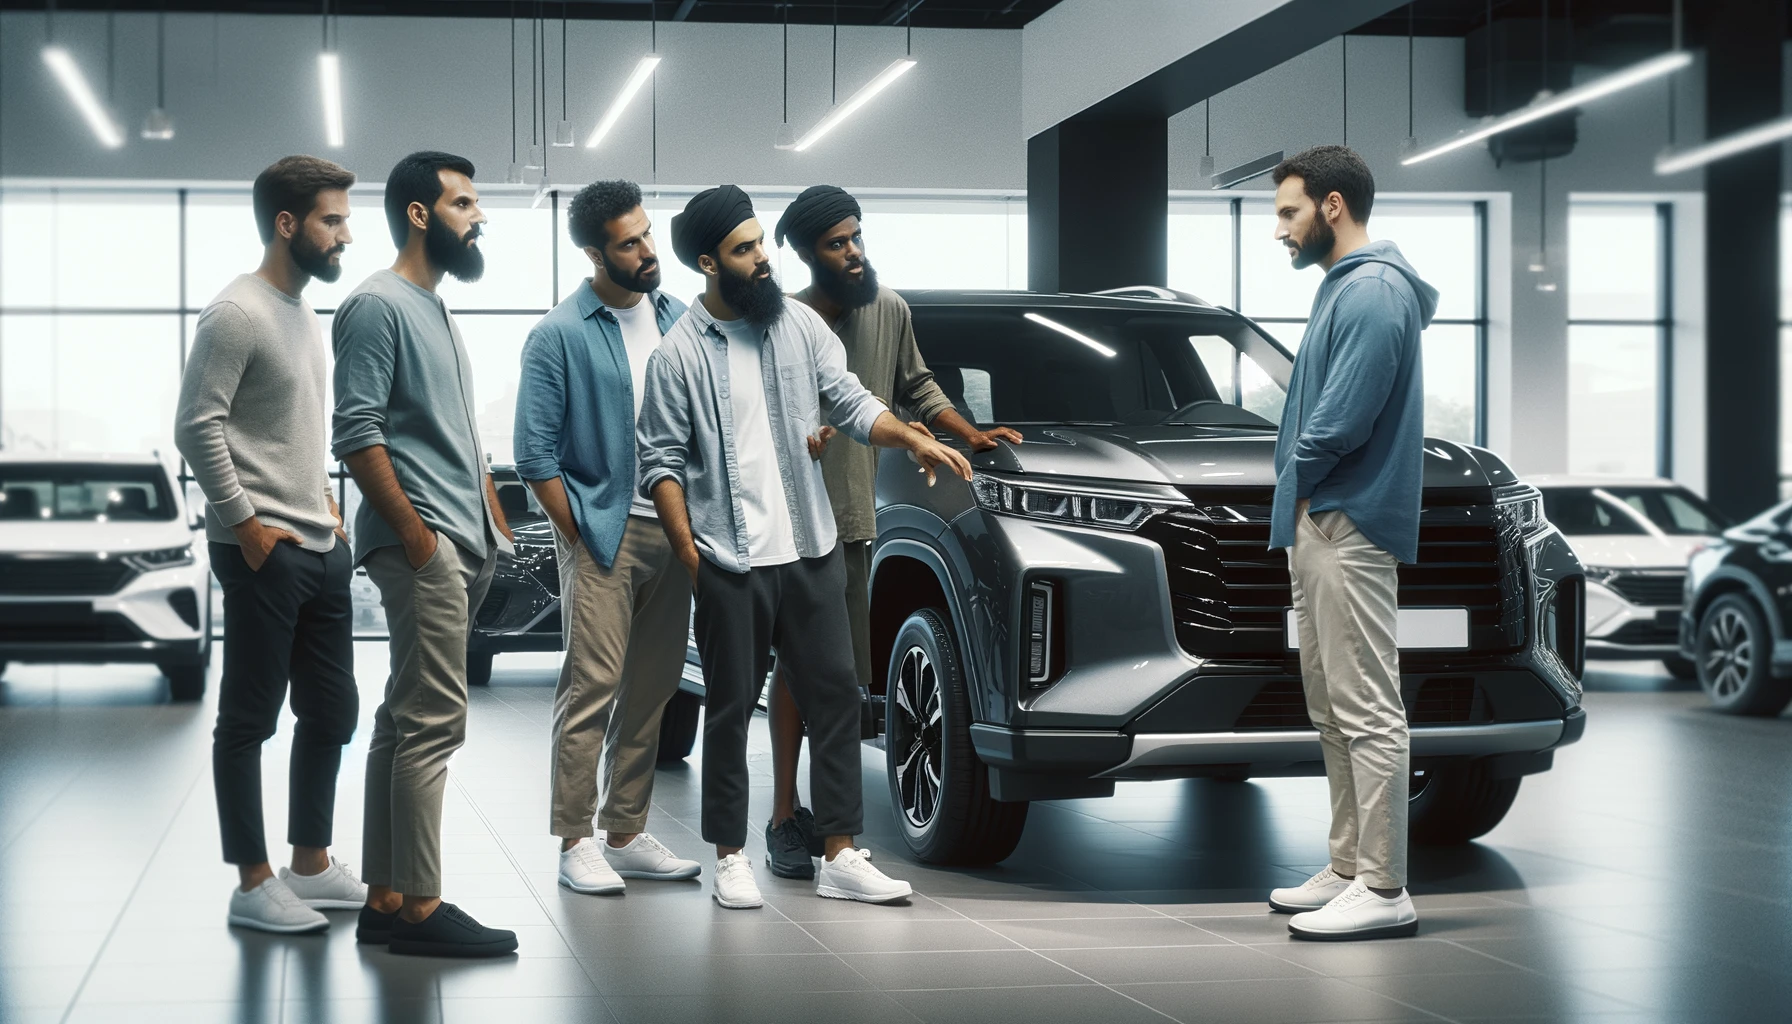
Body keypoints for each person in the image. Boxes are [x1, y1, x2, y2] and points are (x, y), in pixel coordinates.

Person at [637, 185, 971, 909]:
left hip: (812, 548)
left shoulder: (796, 327)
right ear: (707, 262)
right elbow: (660, 461)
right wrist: (692, 555)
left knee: (838, 702)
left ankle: (841, 853)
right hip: (731, 558)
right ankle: (730, 857)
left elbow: (852, 400)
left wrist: (911, 433)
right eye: (744, 250)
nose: (763, 260)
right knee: (729, 709)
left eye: (761, 244)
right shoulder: (677, 358)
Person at [758, 185, 1024, 878]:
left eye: (857, 237)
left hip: (854, 522)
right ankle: (785, 818)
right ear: (807, 254)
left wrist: (970, 433)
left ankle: (834, 823)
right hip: (787, 525)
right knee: (796, 669)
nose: (853, 252)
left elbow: (919, 387)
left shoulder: (889, 309)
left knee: (841, 678)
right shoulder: (778, 324)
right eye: (837, 243)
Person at [332, 151, 518, 958]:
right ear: (419, 212)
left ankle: (385, 897)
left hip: (456, 539)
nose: (478, 217)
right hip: (423, 546)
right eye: (464, 203)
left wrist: (491, 514)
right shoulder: (377, 304)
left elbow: (450, 431)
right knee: (435, 725)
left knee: (403, 722)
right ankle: (420, 909)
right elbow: (357, 431)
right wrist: (417, 535)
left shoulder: (432, 306)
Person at [175, 155, 365, 934]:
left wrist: (322, 499)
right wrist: (247, 526)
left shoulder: (302, 313)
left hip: (317, 543)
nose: (345, 236)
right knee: (248, 720)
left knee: (333, 711)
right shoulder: (236, 313)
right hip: (265, 549)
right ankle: (252, 883)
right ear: (287, 224)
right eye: (332, 220)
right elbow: (196, 425)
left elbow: (292, 428)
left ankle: (309, 864)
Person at [1262, 146, 1438, 941]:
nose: (1280, 231)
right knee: (1332, 704)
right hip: (1323, 520)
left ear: (1333, 206)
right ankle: (1346, 867)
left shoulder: (1371, 291)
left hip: (1346, 522)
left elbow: (1342, 419)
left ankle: (1384, 883)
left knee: (1366, 706)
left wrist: (1299, 480)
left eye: (1289, 212)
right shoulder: (1349, 288)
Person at [514, 180, 701, 895]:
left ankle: (625, 831)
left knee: (653, 688)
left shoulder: (680, 319)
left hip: (675, 534)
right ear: (595, 253)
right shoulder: (558, 333)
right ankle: (574, 839)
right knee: (591, 687)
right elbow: (535, 455)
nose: (649, 251)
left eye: (647, 234)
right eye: (629, 243)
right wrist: (585, 535)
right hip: (606, 534)